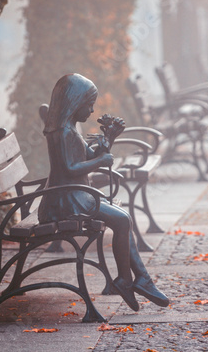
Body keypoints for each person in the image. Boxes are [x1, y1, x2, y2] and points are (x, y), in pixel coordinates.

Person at [38, 73, 169, 312]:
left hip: (74, 195)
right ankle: (132, 280)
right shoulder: (62, 132)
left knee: (122, 219)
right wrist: (101, 162)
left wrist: (109, 138)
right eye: (88, 105)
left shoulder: (69, 128)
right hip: (66, 201)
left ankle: (133, 280)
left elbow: (89, 154)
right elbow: (69, 168)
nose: (91, 110)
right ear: (74, 102)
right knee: (122, 219)